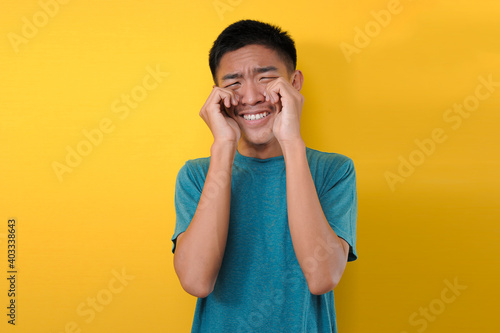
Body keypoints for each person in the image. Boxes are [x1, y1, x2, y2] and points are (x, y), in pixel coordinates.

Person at [172, 19, 357, 333]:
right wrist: (223, 146)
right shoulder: (197, 175)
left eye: (266, 78)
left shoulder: (334, 171)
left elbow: (323, 277)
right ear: (216, 96)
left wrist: (291, 141)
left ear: (294, 82)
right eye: (233, 83)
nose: (251, 96)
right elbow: (197, 280)